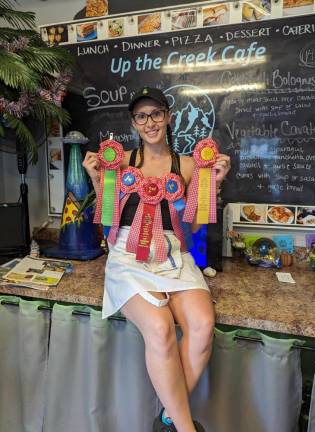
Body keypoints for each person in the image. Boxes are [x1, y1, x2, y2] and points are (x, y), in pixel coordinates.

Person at [82, 87, 231, 432]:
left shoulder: (191, 165)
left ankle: (168, 417)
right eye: (141, 116)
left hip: (173, 255)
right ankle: (184, 428)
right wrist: (96, 178)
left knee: (203, 326)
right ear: (134, 123)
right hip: (128, 255)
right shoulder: (121, 163)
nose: (149, 122)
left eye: (156, 114)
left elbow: (193, 226)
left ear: (168, 116)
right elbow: (109, 218)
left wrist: (214, 185)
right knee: (161, 328)